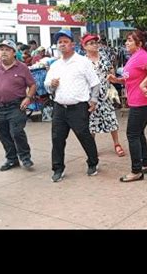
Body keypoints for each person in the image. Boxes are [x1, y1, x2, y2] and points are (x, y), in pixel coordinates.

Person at [44, 29, 101, 182]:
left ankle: (93, 162)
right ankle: (58, 168)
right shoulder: (54, 64)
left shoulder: (83, 62)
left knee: (84, 136)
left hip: (78, 107)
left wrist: (93, 100)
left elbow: (95, 83)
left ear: (73, 44)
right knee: (57, 139)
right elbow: (47, 86)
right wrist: (52, 85)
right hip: (59, 107)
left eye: (65, 41)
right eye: (59, 42)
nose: (62, 44)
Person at [107, 30, 147, 182]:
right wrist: (116, 80)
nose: (126, 43)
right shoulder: (133, 57)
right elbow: (130, 79)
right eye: (127, 40)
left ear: (139, 44)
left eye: (130, 40)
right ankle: (146, 163)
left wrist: (144, 84)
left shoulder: (142, 55)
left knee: (132, 134)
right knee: (138, 133)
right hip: (140, 100)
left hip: (143, 101)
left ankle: (136, 170)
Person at [0, 39, 37, 171]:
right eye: (1, 50)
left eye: (7, 50)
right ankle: (12, 159)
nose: (3, 52)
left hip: (16, 106)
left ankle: (25, 157)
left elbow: (32, 85)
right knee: (3, 133)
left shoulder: (22, 67)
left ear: (14, 53)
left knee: (16, 132)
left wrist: (28, 98)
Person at [82, 33, 125, 157]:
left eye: (96, 43)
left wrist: (112, 79)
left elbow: (111, 72)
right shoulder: (83, 61)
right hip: (91, 97)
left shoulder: (104, 57)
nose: (95, 45)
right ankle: (91, 148)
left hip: (105, 94)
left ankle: (117, 144)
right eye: (91, 43)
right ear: (85, 46)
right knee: (91, 123)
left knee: (111, 119)